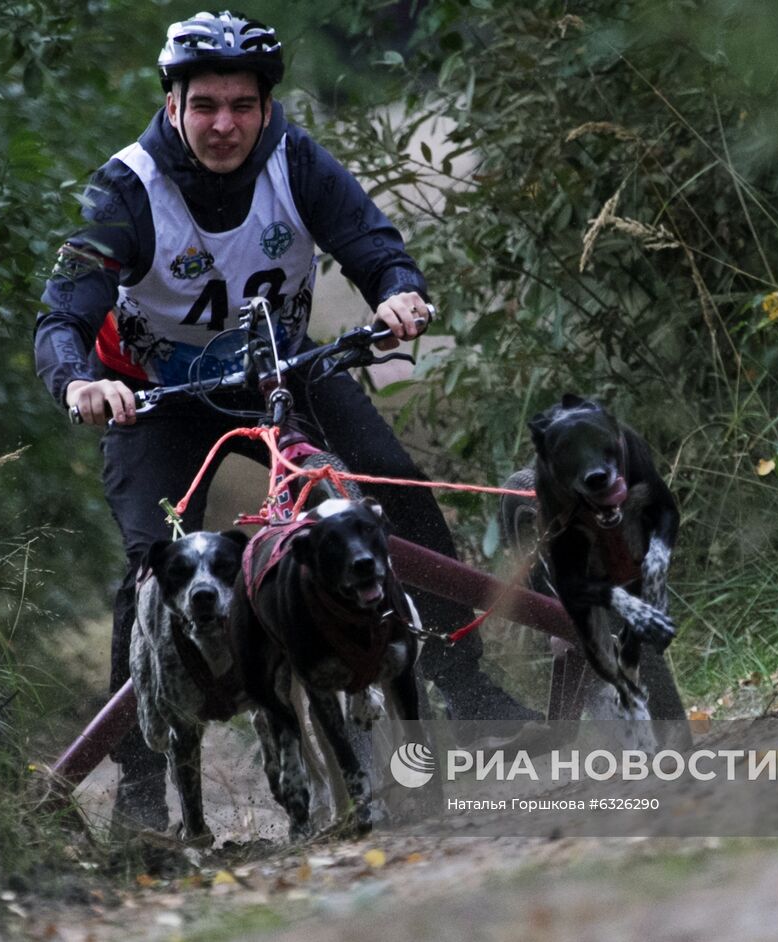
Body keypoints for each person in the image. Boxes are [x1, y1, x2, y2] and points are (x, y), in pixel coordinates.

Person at [35, 10, 538, 837]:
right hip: (157, 396)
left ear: (267, 107)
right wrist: (79, 381)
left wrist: (397, 290)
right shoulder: (125, 188)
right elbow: (63, 312)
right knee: (146, 569)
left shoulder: (294, 158)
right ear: (173, 106)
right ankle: (142, 782)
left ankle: (464, 681)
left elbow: (369, 240)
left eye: (242, 104)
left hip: (281, 369)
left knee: (392, 486)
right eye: (205, 105)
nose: (224, 124)